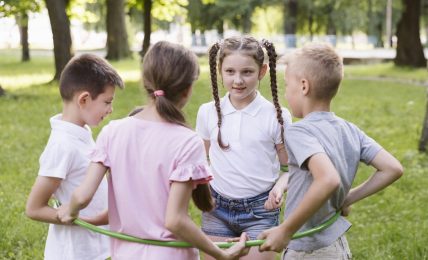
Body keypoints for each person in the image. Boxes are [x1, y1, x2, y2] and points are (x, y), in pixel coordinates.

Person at [57, 41, 250, 260]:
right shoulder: (188, 141)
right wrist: (219, 254)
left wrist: (70, 210)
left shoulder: (112, 132)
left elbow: (82, 196)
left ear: (146, 82)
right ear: (187, 90)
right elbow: (175, 220)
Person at [258, 43, 404, 259]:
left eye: (287, 85)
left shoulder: (299, 131)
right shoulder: (349, 129)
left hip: (308, 249)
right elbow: (392, 168)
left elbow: (328, 179)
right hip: (337, 245)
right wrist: (348, 198)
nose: (286, 93)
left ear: (304, 86)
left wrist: (285, 230)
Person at [196, 36, 292, 260]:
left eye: (247, 72)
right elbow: (201, 159)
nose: (237, 80)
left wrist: (279, 188)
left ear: (262, 71)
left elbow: (291, 168)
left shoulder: (276, 116)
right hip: (215, 208)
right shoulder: (207, 112)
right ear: (220, 70)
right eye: (230, 72)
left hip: (260, 211)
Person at [25, 53, 124, 260]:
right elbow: (34, 208)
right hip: (74, 252)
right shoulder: (63, 145)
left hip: (93, 245)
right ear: (84, 99)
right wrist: (71, 216)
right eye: (107, 102)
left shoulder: (81, 132)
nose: (111, 109)